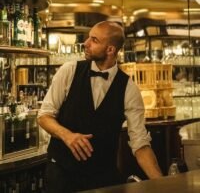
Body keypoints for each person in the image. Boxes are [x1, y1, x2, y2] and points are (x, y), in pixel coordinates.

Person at [38, 21, 162, 192]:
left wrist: (164, 185)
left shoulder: (129, 88)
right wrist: (67, 136)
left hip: (102, 179)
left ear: (110, 50)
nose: (86, 43)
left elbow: (140, 144)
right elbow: (44, 116)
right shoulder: (69, 70)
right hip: (61, 174)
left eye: (94, 40)